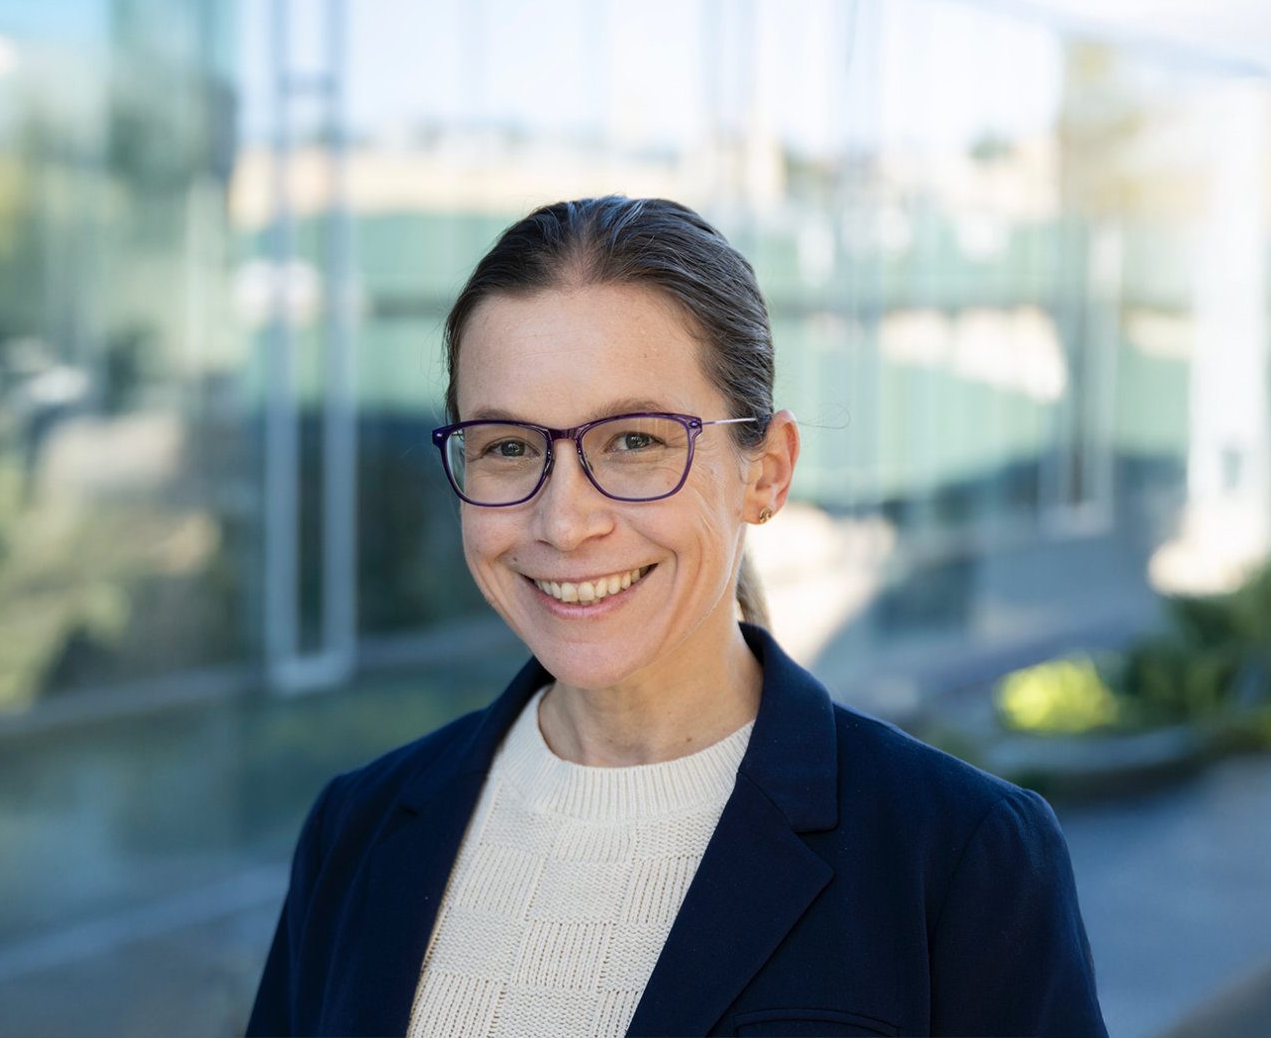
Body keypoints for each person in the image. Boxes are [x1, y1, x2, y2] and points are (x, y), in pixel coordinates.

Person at [245, 196, 1108, 1038]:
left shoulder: (955, 856)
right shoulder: (356, 830)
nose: (564, 521)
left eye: (634, 441)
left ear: (765, 472)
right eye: (508, 447)